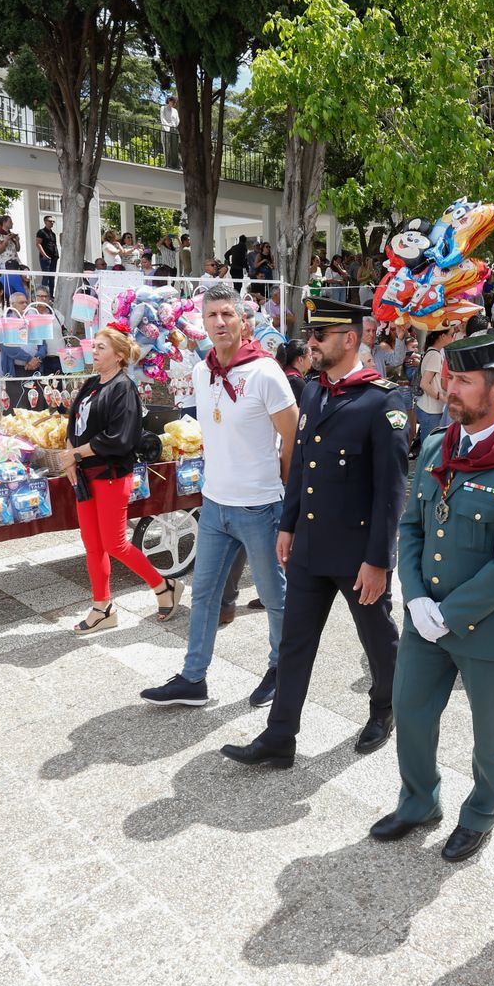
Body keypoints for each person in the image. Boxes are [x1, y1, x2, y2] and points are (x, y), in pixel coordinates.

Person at [369, 330, 494, 863]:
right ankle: (419, 801)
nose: (450, 389)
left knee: (488, 728)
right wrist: (416, 598)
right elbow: (412, 526)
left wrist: (449, 613)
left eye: (464, 381)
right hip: (426, 619)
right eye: (450, 377)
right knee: (411, 710)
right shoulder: (433, 446)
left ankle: (480, 813)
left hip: (483, 626)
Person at [220, 298, 411, 766]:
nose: (310, 344)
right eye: (310, 336)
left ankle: (385, 707)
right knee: (294, 641)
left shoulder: (383, 400)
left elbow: (392, 491)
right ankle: (280, 736)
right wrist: (287, 525)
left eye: (319, 337)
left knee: (378, 637)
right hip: (308, 544)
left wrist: (379, 561)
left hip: (356, 552)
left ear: (350, 339)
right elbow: (301, 464)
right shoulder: (311, 390)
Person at [141, 285, 297, 708]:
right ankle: (194, 679)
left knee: (274, 597)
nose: (220, 323)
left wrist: (285, 500)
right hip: (214, 506)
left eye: (228, 314)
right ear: (204, 323)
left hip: (260, 507)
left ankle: (281, 672)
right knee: (204, 595)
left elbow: (293, 439)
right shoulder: (200, 371)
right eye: (212, 316)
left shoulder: (265, 372)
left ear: (243, 322)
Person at [60, 327, 173, 634]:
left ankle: (162, 585)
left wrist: (78, 454)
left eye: (101, 347)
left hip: (110, 475)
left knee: (115, 543)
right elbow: (74, 423)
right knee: (92, 545)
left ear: (119, 355)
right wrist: (70, 451)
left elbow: (120, 438)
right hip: (85, 475)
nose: (93, 351)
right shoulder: (92, 383)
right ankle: (102, 607)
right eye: (93, 346)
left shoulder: (124, 388)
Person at [416, 327, 454, 438]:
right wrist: (442, 397)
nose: (453, 338)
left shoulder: (432, 352)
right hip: (431, 411)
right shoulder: (435, 355)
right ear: (442, 336)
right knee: (429, 448)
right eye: (451, 335)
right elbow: (424, 384)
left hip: (429, 409)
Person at [161, 94, 180, 168]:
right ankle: (167, 164)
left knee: (175, 147)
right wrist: (167, 127)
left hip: (174, 129)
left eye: (175, 102)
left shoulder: (175, 110)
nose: (174, 104)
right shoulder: (163, 108)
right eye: (173, 102)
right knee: (167, 146)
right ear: (169, 101)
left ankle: (175, 165)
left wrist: (174, 126)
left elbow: (177, 120)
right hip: (166, 128)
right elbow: (162, 118)